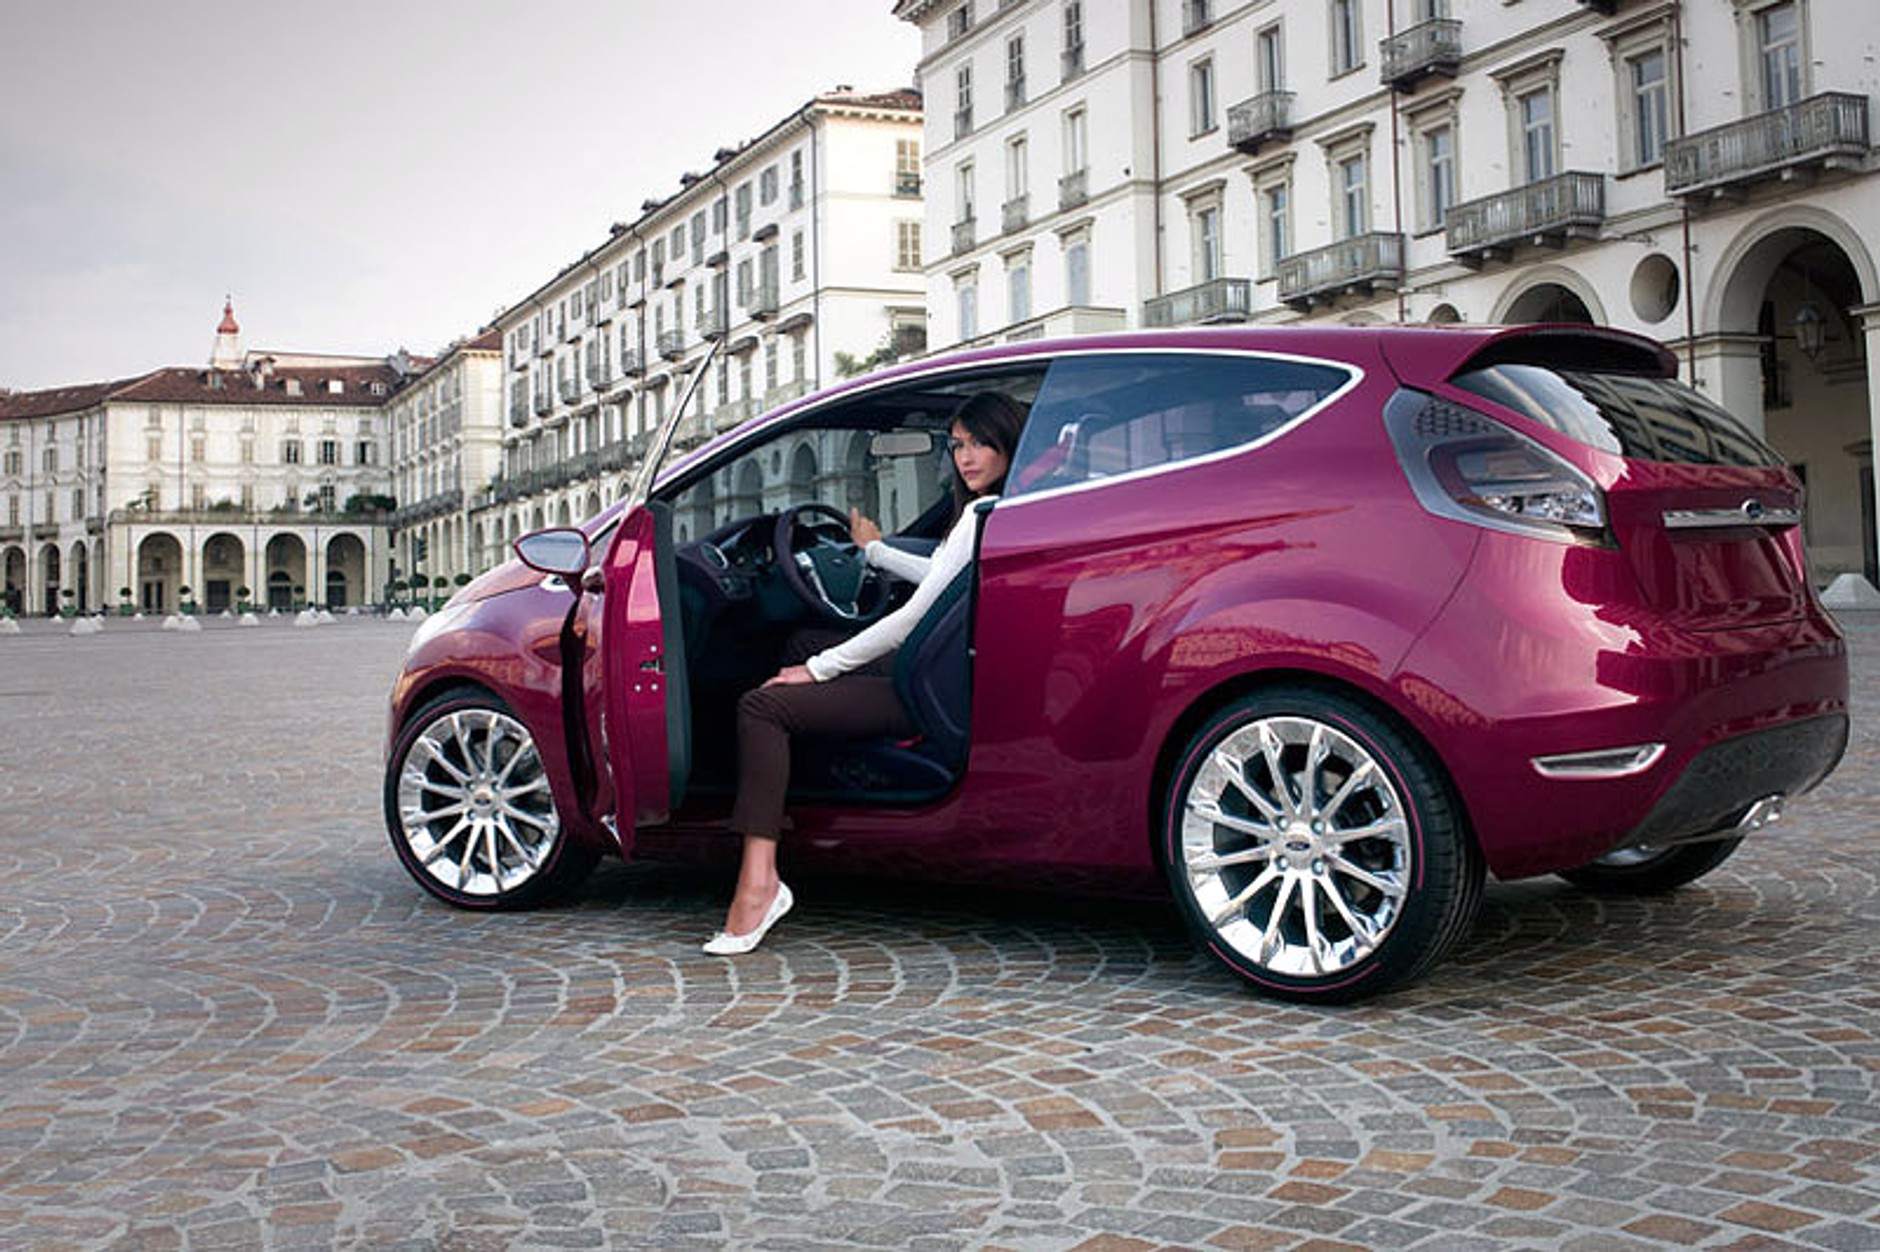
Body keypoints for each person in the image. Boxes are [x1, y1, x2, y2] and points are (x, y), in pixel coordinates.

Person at [703, 391, 1028, 955]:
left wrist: (816, 671)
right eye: (957, 445)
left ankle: (760, 883)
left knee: (762, 705)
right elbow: (939, 576)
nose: (966, 457)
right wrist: (874, 553)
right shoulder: (987, 512)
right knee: (798, 639)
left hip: (926, 685)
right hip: (938, 665)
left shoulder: (982, 514)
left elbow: (909, 620)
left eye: (980, 443)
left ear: (1008, 443)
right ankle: (792, 788)